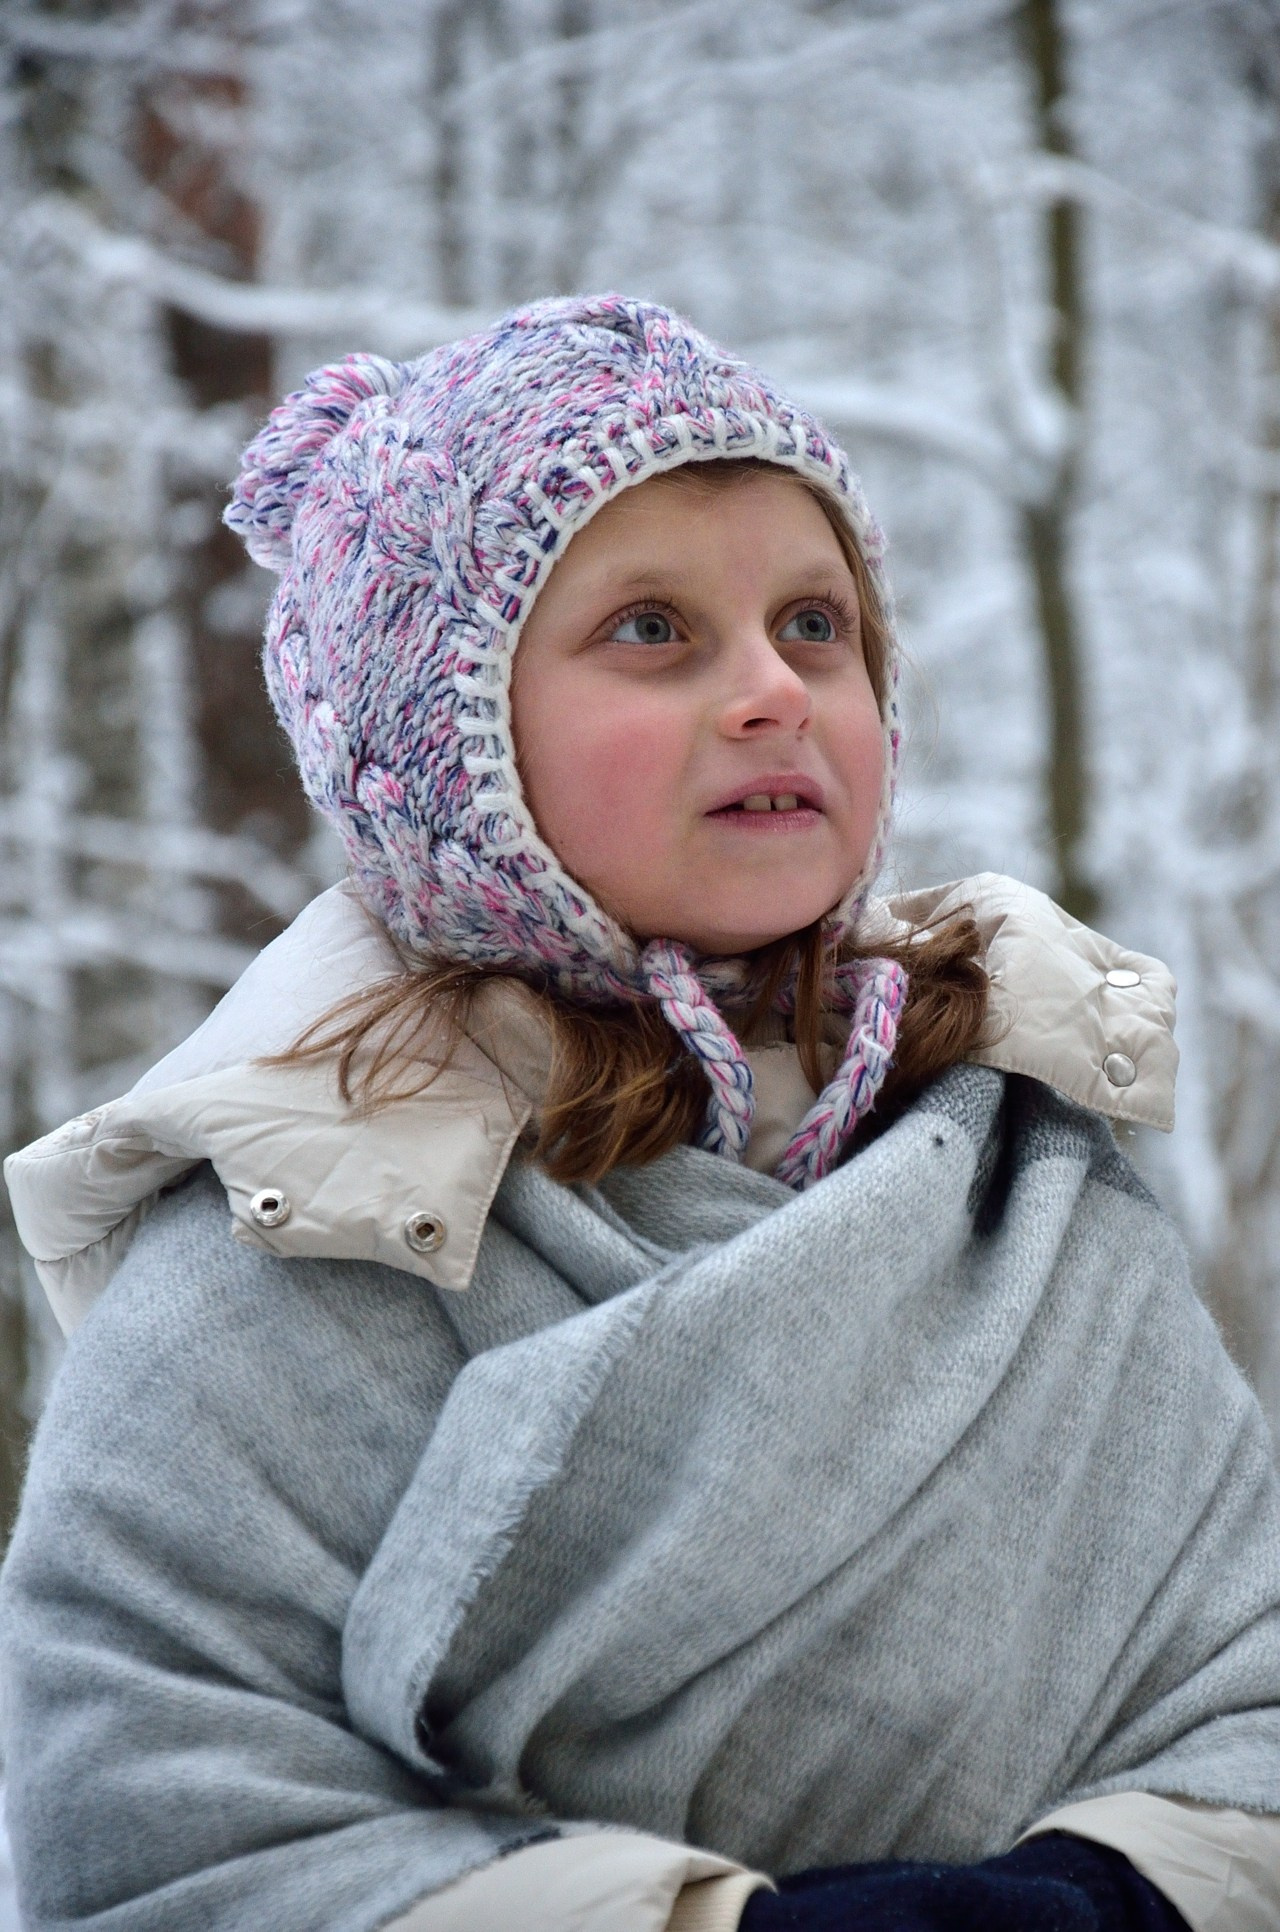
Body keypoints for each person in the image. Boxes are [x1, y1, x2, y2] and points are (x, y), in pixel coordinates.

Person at [3, 294, 1279, 1932]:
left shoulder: (1027, 1176)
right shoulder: (286, 1239)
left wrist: (1119, 1894)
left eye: (816, 626)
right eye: (655, 631)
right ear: (448, 741)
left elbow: (1240, 1676)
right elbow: (164, 1828)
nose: (770, 692)